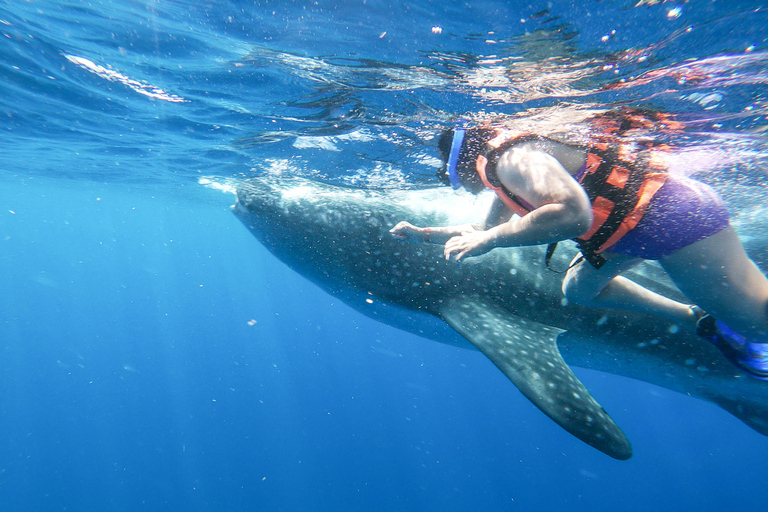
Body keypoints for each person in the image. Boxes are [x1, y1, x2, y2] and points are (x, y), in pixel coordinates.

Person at [389, 109, 768, 379]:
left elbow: (574, 215)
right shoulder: (499, 175)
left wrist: (491, 240)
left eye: (450, 177)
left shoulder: (513, 160)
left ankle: (732, 322)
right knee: (580, 288)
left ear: (464, 163)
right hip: (630, 232)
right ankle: (698, 318)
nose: (457, 187)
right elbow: (480, 228)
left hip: (674, 222)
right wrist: (423, 233)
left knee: (758, 324)